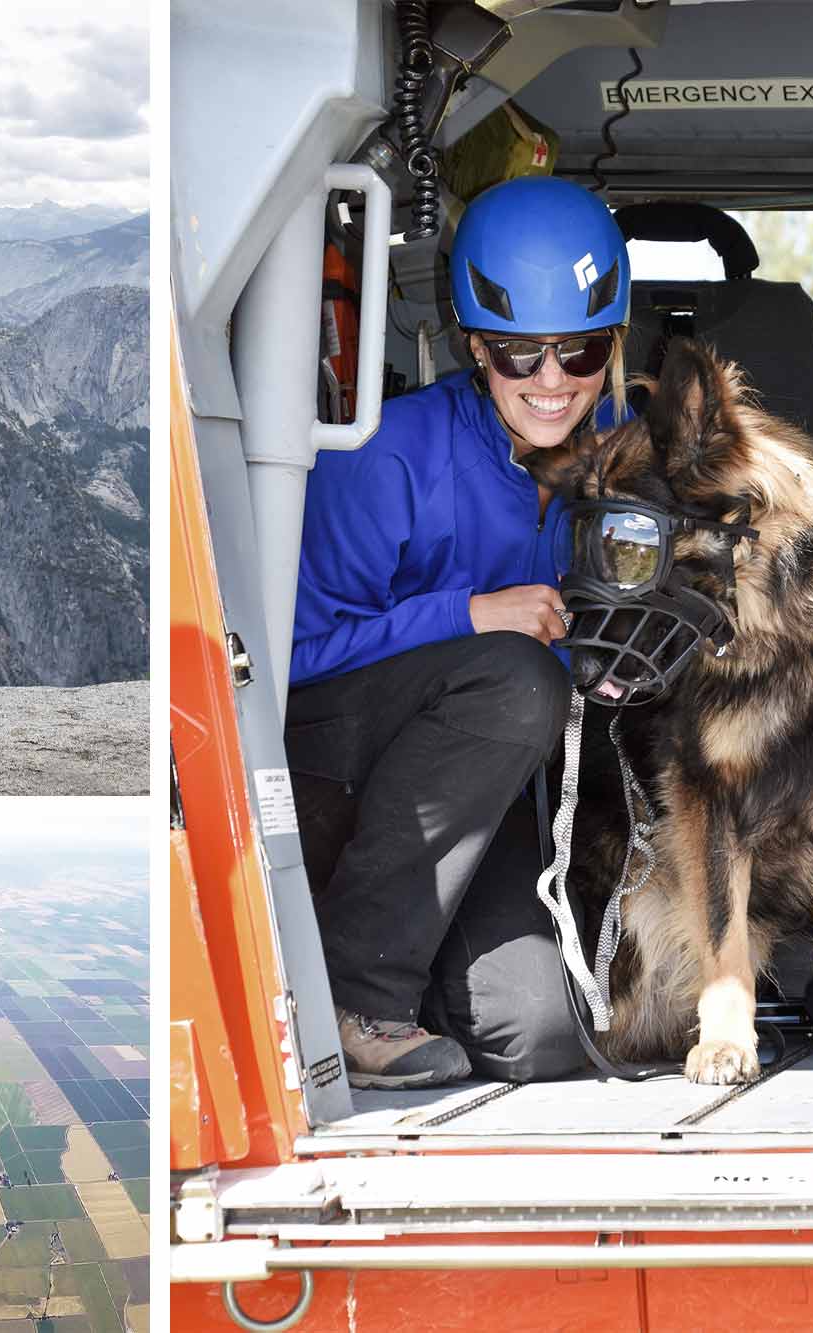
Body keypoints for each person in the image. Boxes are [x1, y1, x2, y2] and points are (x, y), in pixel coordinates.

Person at [286, 176, 632, 1089]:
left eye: (581, 351)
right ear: (477, 346)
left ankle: (402, 953)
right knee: (518, 679)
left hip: (474, 788)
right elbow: (285, 665)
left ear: (613, 345)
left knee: (538, 1037)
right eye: (521, 356)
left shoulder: (621, 458)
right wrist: (471, 615)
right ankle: (354, 997)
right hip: (339, 767)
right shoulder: (390, 455)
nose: (552, 383)